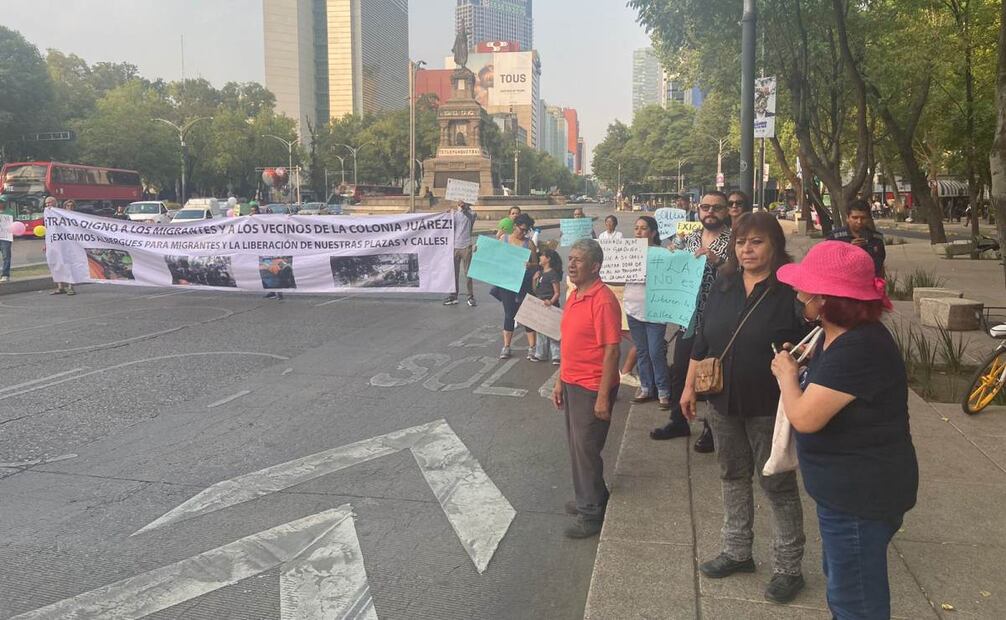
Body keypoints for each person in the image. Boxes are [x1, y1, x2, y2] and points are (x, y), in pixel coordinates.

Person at [771, 241, 917, 619]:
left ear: (827, 300)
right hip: (847, 490)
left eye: (807, 291)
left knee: (856, 603)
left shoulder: (859, 348)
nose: (800, 295)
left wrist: (787, 375)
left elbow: (805, 417)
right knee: (843, 585)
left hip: (859, 497)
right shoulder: (837, 334)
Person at [682, 212, 808, 603]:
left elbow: (810, 345)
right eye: (741, 242)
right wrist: (689, 388)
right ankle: (738, 552)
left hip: (770, 405)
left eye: (756, 241)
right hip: (722, 400)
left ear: (774, 246)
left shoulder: (790, 291)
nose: (747, 249)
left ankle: (789, 568)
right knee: (732, 475)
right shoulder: (724, 285)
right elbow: (703, 341)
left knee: (777, 484)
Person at [551, 238, 622, 539]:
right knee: (579, 448)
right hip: (572, 382)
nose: (572, 264)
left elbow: (611, 351)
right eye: (571, 259)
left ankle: (591, 512)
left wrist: (603, 396)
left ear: (595, 266)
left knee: (586, 448)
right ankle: (592, 496)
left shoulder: (602, 300)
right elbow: (569, 343)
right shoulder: (575, 294)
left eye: (579, 260)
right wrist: (559, 379)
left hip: (593, 385)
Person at [651, 191, 732, 447]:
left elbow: (740, 276)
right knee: (680, 369)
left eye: (716, 208)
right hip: (687, 318)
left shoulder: (733, 241)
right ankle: (678, 420)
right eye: (705, 207)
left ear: (726, 211)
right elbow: (671, 267)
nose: (710, 212)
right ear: (698, 210)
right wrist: (670, 254)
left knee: (710, 376)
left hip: (718, 320)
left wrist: (717, 261)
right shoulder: (689, 237)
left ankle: (711, 428)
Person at [623, 216, 672, 410]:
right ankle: (646, 387)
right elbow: (618, 280)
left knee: (655, 352)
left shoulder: (663, 253)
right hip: (633, 309)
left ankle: (663, 391)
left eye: (643, 228)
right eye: (636, 228)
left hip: (656, 311)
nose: (638, 232)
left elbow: (671, 279)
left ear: (653, 232)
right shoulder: (627, 253)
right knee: (642, 351)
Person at [498, 213, 538, 360]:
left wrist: (531, 265)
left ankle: (532, 347)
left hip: (524, 284)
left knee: (527, 315)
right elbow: (494, 257)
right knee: (509, 314)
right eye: (521, 229)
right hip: (507, 283)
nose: (523, 233)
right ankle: (506, 346)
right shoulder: (504, 239)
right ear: (515, 226)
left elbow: (537, 264)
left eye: (526, 231)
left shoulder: (529, 244)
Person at [827, 199, 886, 277]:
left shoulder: (876, 238)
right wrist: (849, 250)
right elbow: (827, 263)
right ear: (847, 218)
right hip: (843, 283)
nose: (859, 221)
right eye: (855, 218)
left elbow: (880, 265)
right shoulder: (835, 237)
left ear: (868, 218)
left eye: (863, 218)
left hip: (868, 283)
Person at [531, 248, 563, 365]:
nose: (539, 257)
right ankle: (541, 354)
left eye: (542, 256)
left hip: (551, 305)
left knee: (553, 330)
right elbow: (535, 290)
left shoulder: (552, 274)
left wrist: (551, 301)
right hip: (541, 304)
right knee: (541, 330)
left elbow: (557, 292)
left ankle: (556, 355)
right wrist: (534, 279)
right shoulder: (541, 273)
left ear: (548, 259)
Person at [444, 201, 478, 307]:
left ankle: (470, 296)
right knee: (454, 273)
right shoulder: (453, 214)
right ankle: (453, 295)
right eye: (460, 202)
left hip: (466, 246)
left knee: (468, 273)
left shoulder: (471, 214)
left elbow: (469, 214)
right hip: (454, 246)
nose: (462, 203)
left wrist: (466, 207)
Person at [51, 199, 76, 296]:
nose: (69, 208)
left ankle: (71, 287)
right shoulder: (59, 216)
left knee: (70, 265)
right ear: (64, 207)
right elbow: (52, 231)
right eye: (67, 206)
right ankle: (60, 287)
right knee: (58, 264)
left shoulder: (78, 217)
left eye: (71, 206)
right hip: (60, 243)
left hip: (72, 245)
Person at [0, 196, 12, 282]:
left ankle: (5, 274)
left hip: (6, 237)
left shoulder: (10, 212)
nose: (1, 204)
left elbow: (15, 223)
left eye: (2, 202)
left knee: (6, 256)